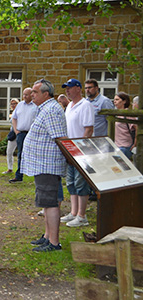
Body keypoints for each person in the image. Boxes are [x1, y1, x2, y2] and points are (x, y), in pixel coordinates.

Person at [22, 79, 67, 252]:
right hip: (42, 164)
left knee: (50, 203)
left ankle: (54, 243)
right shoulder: (46, 109)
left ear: (45, 94)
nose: (31, 95)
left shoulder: (51, 110)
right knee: (47, 203)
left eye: (35, 92)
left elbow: (60, 138)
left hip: (47, 164)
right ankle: (48, 237)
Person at [60, 78, 95, 228]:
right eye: (66, 88)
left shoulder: (85, 105)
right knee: (71, 182)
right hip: (69, 148)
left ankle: (82, 215)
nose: (67, 90)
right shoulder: (69, 106)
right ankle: (74, 212)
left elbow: (88, 129)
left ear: (78, 89)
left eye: (70, 87)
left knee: (81, 183)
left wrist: (79, 148)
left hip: (81, 150)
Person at [9, 88, 37, 183]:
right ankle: (19, 175)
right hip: (21, 133)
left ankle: (36, 175)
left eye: (27, 94)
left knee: (34, 154)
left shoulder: (36, 105)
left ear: (31, 94)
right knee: (20, 153)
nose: (24, 96)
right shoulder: (20, 105)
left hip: (32, 133)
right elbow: (14, 118)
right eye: (23, 94)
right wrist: (16, 130)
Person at [113, 92, 136, 159]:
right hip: (117, 145)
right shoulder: (116, 113)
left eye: (117, 99)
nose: (115, 101)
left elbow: (136, 127)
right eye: (114, 100)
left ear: (124, 101)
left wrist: (135, 143)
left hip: (125, 146)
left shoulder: (128, 114)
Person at [4, 98, 20, 174]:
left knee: (21, 152)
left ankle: (22, 169)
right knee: (9, 151)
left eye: (15, 103)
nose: (13, 105)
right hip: (13, 133)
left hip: (20, 133)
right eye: (12, 104)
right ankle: (10, 168)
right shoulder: (12, 113)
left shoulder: (21, 112)